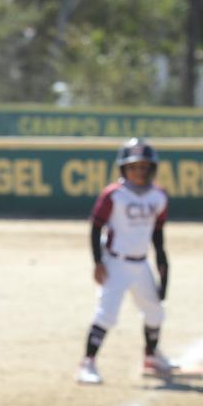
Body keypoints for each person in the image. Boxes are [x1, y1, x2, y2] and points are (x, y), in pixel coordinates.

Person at [77, 138, 179, 385]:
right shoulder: (114, 194)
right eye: (133, 167)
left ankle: (151, 356)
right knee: (106, 314)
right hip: (116, 263)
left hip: (141, 263)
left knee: (155, 311)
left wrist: (163, 264)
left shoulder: (158, 196)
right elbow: (96, 226)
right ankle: (87, 363)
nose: (138, 172)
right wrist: (98, 262)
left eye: (143, 167)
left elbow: (157, 233)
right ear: (123, 169)